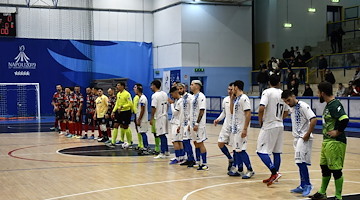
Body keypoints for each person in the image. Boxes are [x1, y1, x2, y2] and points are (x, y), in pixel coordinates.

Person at [310, 82, 349, 200]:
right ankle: (322, 192)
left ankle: (338, 196)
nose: (317, 95)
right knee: (324, 167)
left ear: (322, 93)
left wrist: (338, 132)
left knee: (336, 169)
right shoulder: (329, 105)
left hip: (335, 142)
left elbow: (344, 119)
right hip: (327, 141)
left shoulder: (334, 105)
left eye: (318, 92)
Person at [281, 90, 317, 197]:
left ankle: (308, 185)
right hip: (296, 138)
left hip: (304, 137)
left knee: (301, 162)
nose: (287, 103)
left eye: (288, 100)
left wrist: (307, 133)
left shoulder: (303, 106)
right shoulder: (291, 108)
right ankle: (302, 185)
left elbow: (314, 119)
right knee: (298, 162)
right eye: (285, 102)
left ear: (293, 96)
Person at [257, 74, 289, 186]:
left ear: (269, 82)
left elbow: (261, 107)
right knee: (276, 152)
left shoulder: (267, 92)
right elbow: (286, 112)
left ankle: (274, 172)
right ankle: (274, 175)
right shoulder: (282, 93)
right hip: (280, 125)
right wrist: (279, 118)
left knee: (261, 151)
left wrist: (260, 120)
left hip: (269, 125)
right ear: (279, 82)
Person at [228, 80, 255, 179]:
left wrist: (245, 129)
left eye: (233, 87)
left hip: (241, 128)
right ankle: (238, 169)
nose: (231, 90)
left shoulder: (244, 98)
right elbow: (231, 111)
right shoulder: (237, 99)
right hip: (235, 128)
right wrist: (231, 98)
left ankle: (250, 169)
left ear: (236, 87)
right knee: (236, 150)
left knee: (241, 150)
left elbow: (248, 114)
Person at [213, 83, 235, 171]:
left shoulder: (238, 100)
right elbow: (224, 112)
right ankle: (230, 158)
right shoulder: (225, 99)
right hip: (226, 125)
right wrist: (218, 119)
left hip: (235, 127)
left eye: (231, 89)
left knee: (235, 148)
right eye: (228, 89)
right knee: (220, 143)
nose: (229, 91)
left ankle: (236, 165)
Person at [189, 80, 208, 170]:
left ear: (197, 86)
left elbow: (201, 110)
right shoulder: (192, 97)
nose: (190, 86)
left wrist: (197, 123)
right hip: (192, 124)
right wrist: (190, 123)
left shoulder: (201, 96)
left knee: (200, 143)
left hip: (199, 125)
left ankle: (204, 163)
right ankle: (198, 161)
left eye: (192, 85)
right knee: (195, 142)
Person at [107, 82, 133, 148]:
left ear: (122, 86)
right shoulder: (118, 94)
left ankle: (130, 142)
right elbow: (117, 104)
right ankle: (113, 142)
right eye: (117, 85)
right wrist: (113, 111)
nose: (117, 87)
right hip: (119, 112)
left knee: (125, 127)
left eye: (118, 85)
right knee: (115, 125)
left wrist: (122, 106)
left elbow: (130, 104)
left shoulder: (127, 94)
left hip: (126, 112)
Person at [177, 83, 196, 167]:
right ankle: (188, 158)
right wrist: (179, 125)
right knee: (184, 142)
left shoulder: (190, 98)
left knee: (186, 141)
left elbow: (192, 111)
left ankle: (192, 159)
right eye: (178, 89)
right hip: (182, 123)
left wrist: (190, 123)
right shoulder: (181, 99)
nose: (179, 90)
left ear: (185, 88)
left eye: (181, 89)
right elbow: (181, 113)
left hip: (188, 123)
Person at [150, 80, 170, 158]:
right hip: (165, 116)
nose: (151, 87)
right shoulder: (164, 94)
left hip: (159, 117)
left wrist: (151, 118)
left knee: (161, 135)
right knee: (163, 134)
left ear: (154, 86)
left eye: (151, 85)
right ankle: (167, 151)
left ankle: (162, 152)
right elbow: (167, 104)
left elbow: (153, 107)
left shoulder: (155, 95)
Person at [169, 86, 185, 164]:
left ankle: (178, 157)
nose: (172, 96)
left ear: (175, 93)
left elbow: (175, 112)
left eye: (172, 94)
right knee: (179, 141)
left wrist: (171, 104)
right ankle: (181, 157)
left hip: (177, 123)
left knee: (175, 141)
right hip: (178, 122)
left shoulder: (179, 101)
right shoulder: (179, 100)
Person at [133, 84, 150, 155]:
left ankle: (146, 147)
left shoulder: (143, 98)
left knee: (143, 133)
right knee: (141, 133)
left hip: (143, 119)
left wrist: (139, 119)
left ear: (138, 89)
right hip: (140, 118)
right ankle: (144, 147)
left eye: (135, 87)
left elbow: (142, 110)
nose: (134, 89)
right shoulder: (140, 98)